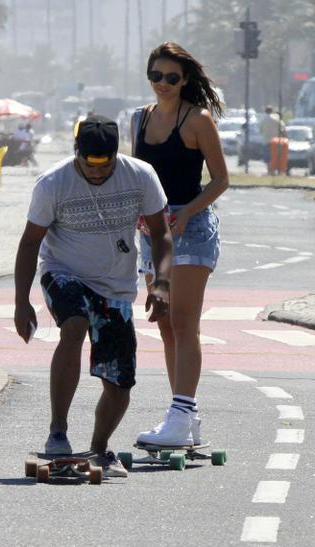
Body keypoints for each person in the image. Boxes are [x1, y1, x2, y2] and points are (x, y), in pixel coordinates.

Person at [14, 115, 173, 477]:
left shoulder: (140, 175)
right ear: (78, 155)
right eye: (90, 166)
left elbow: (161, 233)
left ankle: (100, 449)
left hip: (115, 286)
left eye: (106, 167)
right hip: (63, 271)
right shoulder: (53, 183)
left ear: (117, 155)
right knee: (74, 325)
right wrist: (21, 302)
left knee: (119, 380)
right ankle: (58, 431)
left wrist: (161, 282)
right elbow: (29, 243)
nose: (98, 174)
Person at [131, 42, 228, 447]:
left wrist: (187, 213)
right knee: (166, 324)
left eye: (172, 77)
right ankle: (184, 418)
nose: (163, 84)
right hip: (152, 231)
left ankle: (180, 414)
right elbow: (137, 174)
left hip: (191, 229)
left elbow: (221, 180)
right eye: (156, 76)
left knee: (185, 322)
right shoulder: (139, 118)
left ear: (184, 79)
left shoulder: (198, 119)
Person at [259, 106, 286, 174]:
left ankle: (270, 171)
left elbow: (260, 130)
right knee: (277, 156)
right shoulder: (276, 118)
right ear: (272, 111)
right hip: (276, 140)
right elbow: (282, 127)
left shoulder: (263, 120)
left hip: (266, 140)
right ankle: (278, 171)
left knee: (268, 158)